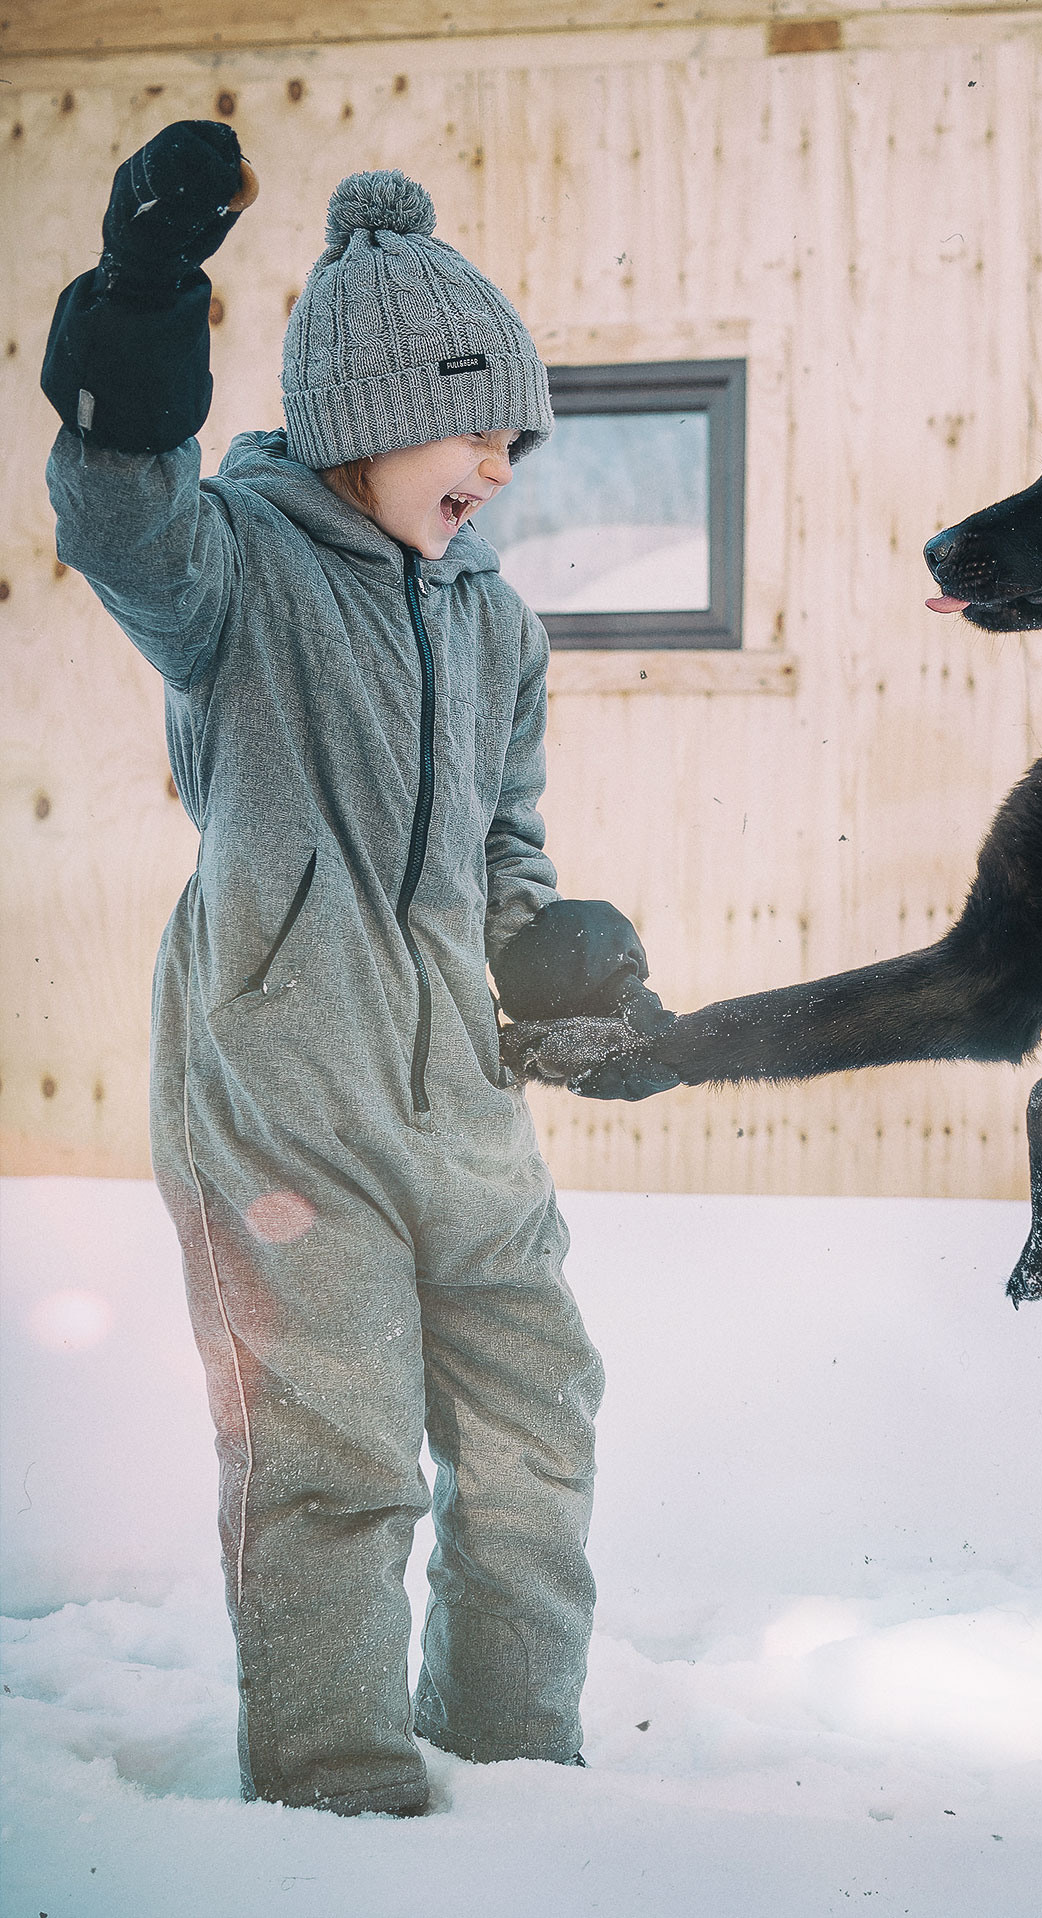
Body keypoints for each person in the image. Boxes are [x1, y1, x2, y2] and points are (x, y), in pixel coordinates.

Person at [41, 121, 668, 1815]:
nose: (501, 467)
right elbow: (117, 518)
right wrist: (141, 302)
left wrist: (548, 952)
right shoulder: (233, 572)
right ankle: (338, 1807)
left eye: (516, 438)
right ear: (368, 415)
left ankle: (519, 1772)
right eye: (476, 428)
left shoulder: (496, 622)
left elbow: (501, 841)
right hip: (286, 1090)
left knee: (538, 1426)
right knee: (334, 1454)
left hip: (459, 1099)